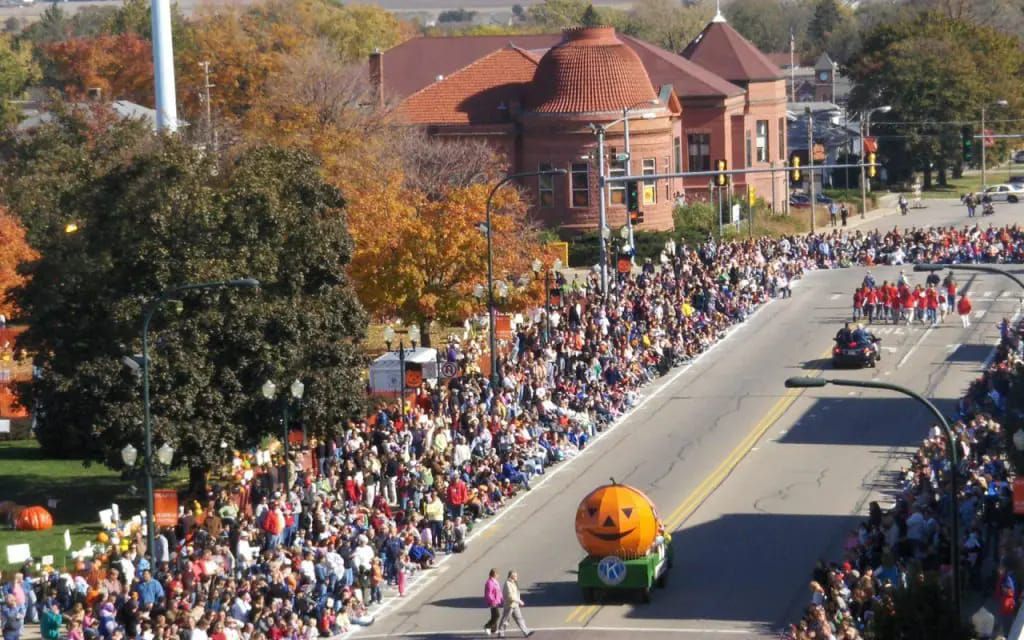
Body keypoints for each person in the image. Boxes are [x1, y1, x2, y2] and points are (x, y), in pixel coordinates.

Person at [497, 570, 531, 638]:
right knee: (505, 620)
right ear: (511, 576)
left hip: (515, 604)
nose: (517, 577)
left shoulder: (513, 582)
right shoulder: (508, 584)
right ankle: (501, 633)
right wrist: (519, 601)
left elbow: (516, 593)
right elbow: (510, 596)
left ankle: (526, 632)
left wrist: (518, 601)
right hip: (509, 605)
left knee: (519, 618)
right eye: (515, 576)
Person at [483, 569, 503, 636]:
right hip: (492, 601)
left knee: (494, 615)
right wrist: (493, 601)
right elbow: (489, 594)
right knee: (497, 615)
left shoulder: (495, 581)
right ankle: (487, 626)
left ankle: (493, 629)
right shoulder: (490, 582)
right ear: (494, 574)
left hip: (496, 601)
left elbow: (498, 591)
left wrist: (502, 598)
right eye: (497, 574)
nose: (498, 575)